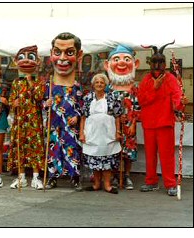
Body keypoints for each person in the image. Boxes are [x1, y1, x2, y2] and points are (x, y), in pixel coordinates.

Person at [137, 42, 188, 196]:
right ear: (150, 63)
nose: (157, 65)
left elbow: (177, 100)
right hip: (149, 123)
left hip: (165, 122)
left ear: (165, 64)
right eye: (154, 62)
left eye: (160, 62)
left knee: (166, 156)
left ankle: (170, 183)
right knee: (150, 156)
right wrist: (155, 88)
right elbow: (142, 100)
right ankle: (151, 181)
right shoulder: (146, 79)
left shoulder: (171, 79)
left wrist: (181, 103)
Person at [43, 32, 84, 191]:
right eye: (57, 52)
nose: (62, 58)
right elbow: (42, 104)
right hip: (54, 124)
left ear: (79, 55)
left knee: (73, 150)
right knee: (53, 151)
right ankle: (52, 177)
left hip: (70, 126)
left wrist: (77, 116)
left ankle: (74, 177)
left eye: (69, 52)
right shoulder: (49, 86)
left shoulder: (77, 86)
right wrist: (46, 103)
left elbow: (82, 106)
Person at [7, 45, 45, 190]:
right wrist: (13, 103)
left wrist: (30, 82)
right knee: (19, 147)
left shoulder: (39, 81)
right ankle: (21, 177)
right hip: (20, 120)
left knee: (35, 148)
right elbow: (11, 101)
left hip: (34, 120)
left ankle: (36, 177)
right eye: (23, 57)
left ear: (38, 61)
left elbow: (39, 97)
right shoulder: (16, 82)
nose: (27, 61)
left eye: (32, 57)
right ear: (16, 61)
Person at [104, 44, 141, 190]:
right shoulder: (108, 89)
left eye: (126, 59)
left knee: (129, 151)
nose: (121, 63)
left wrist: (133, 123)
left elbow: (137, 107)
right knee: (113, 149)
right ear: (107, 65)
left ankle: (126, 175)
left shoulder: (134, 89)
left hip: (128, 125)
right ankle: (113, 175)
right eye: (116, 59)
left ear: (135, 64)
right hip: (112, 126)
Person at [79, 73, 122, 194]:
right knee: (95, 158)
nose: (99, 84)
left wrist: (118, 131)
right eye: (97, 82)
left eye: (101, 82)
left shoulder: (112, 98)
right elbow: (83, 117)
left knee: (107, 158)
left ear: (105, 85)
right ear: (93, 85)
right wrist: (82, 133)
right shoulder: (87, 98)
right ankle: (96, 184)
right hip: (92, 133)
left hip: (108, 133)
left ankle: (107, 185)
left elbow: (117, 116)